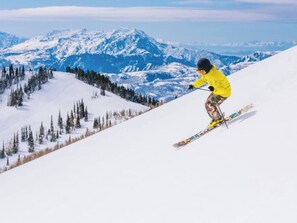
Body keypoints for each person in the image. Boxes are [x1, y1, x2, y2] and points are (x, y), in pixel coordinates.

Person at [188, 58, 231, 128]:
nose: (201, 74)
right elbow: (203, 79)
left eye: (201, 72)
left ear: (206, 69)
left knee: (209, 104)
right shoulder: (207, 73)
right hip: (216, 91)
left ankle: (218, 119)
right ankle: (216, 118)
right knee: (207, 104)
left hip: (224, 93)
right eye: (199, 72)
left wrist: (214, 89)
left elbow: (224, 89)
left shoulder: (216, 75)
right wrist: (194, 85)